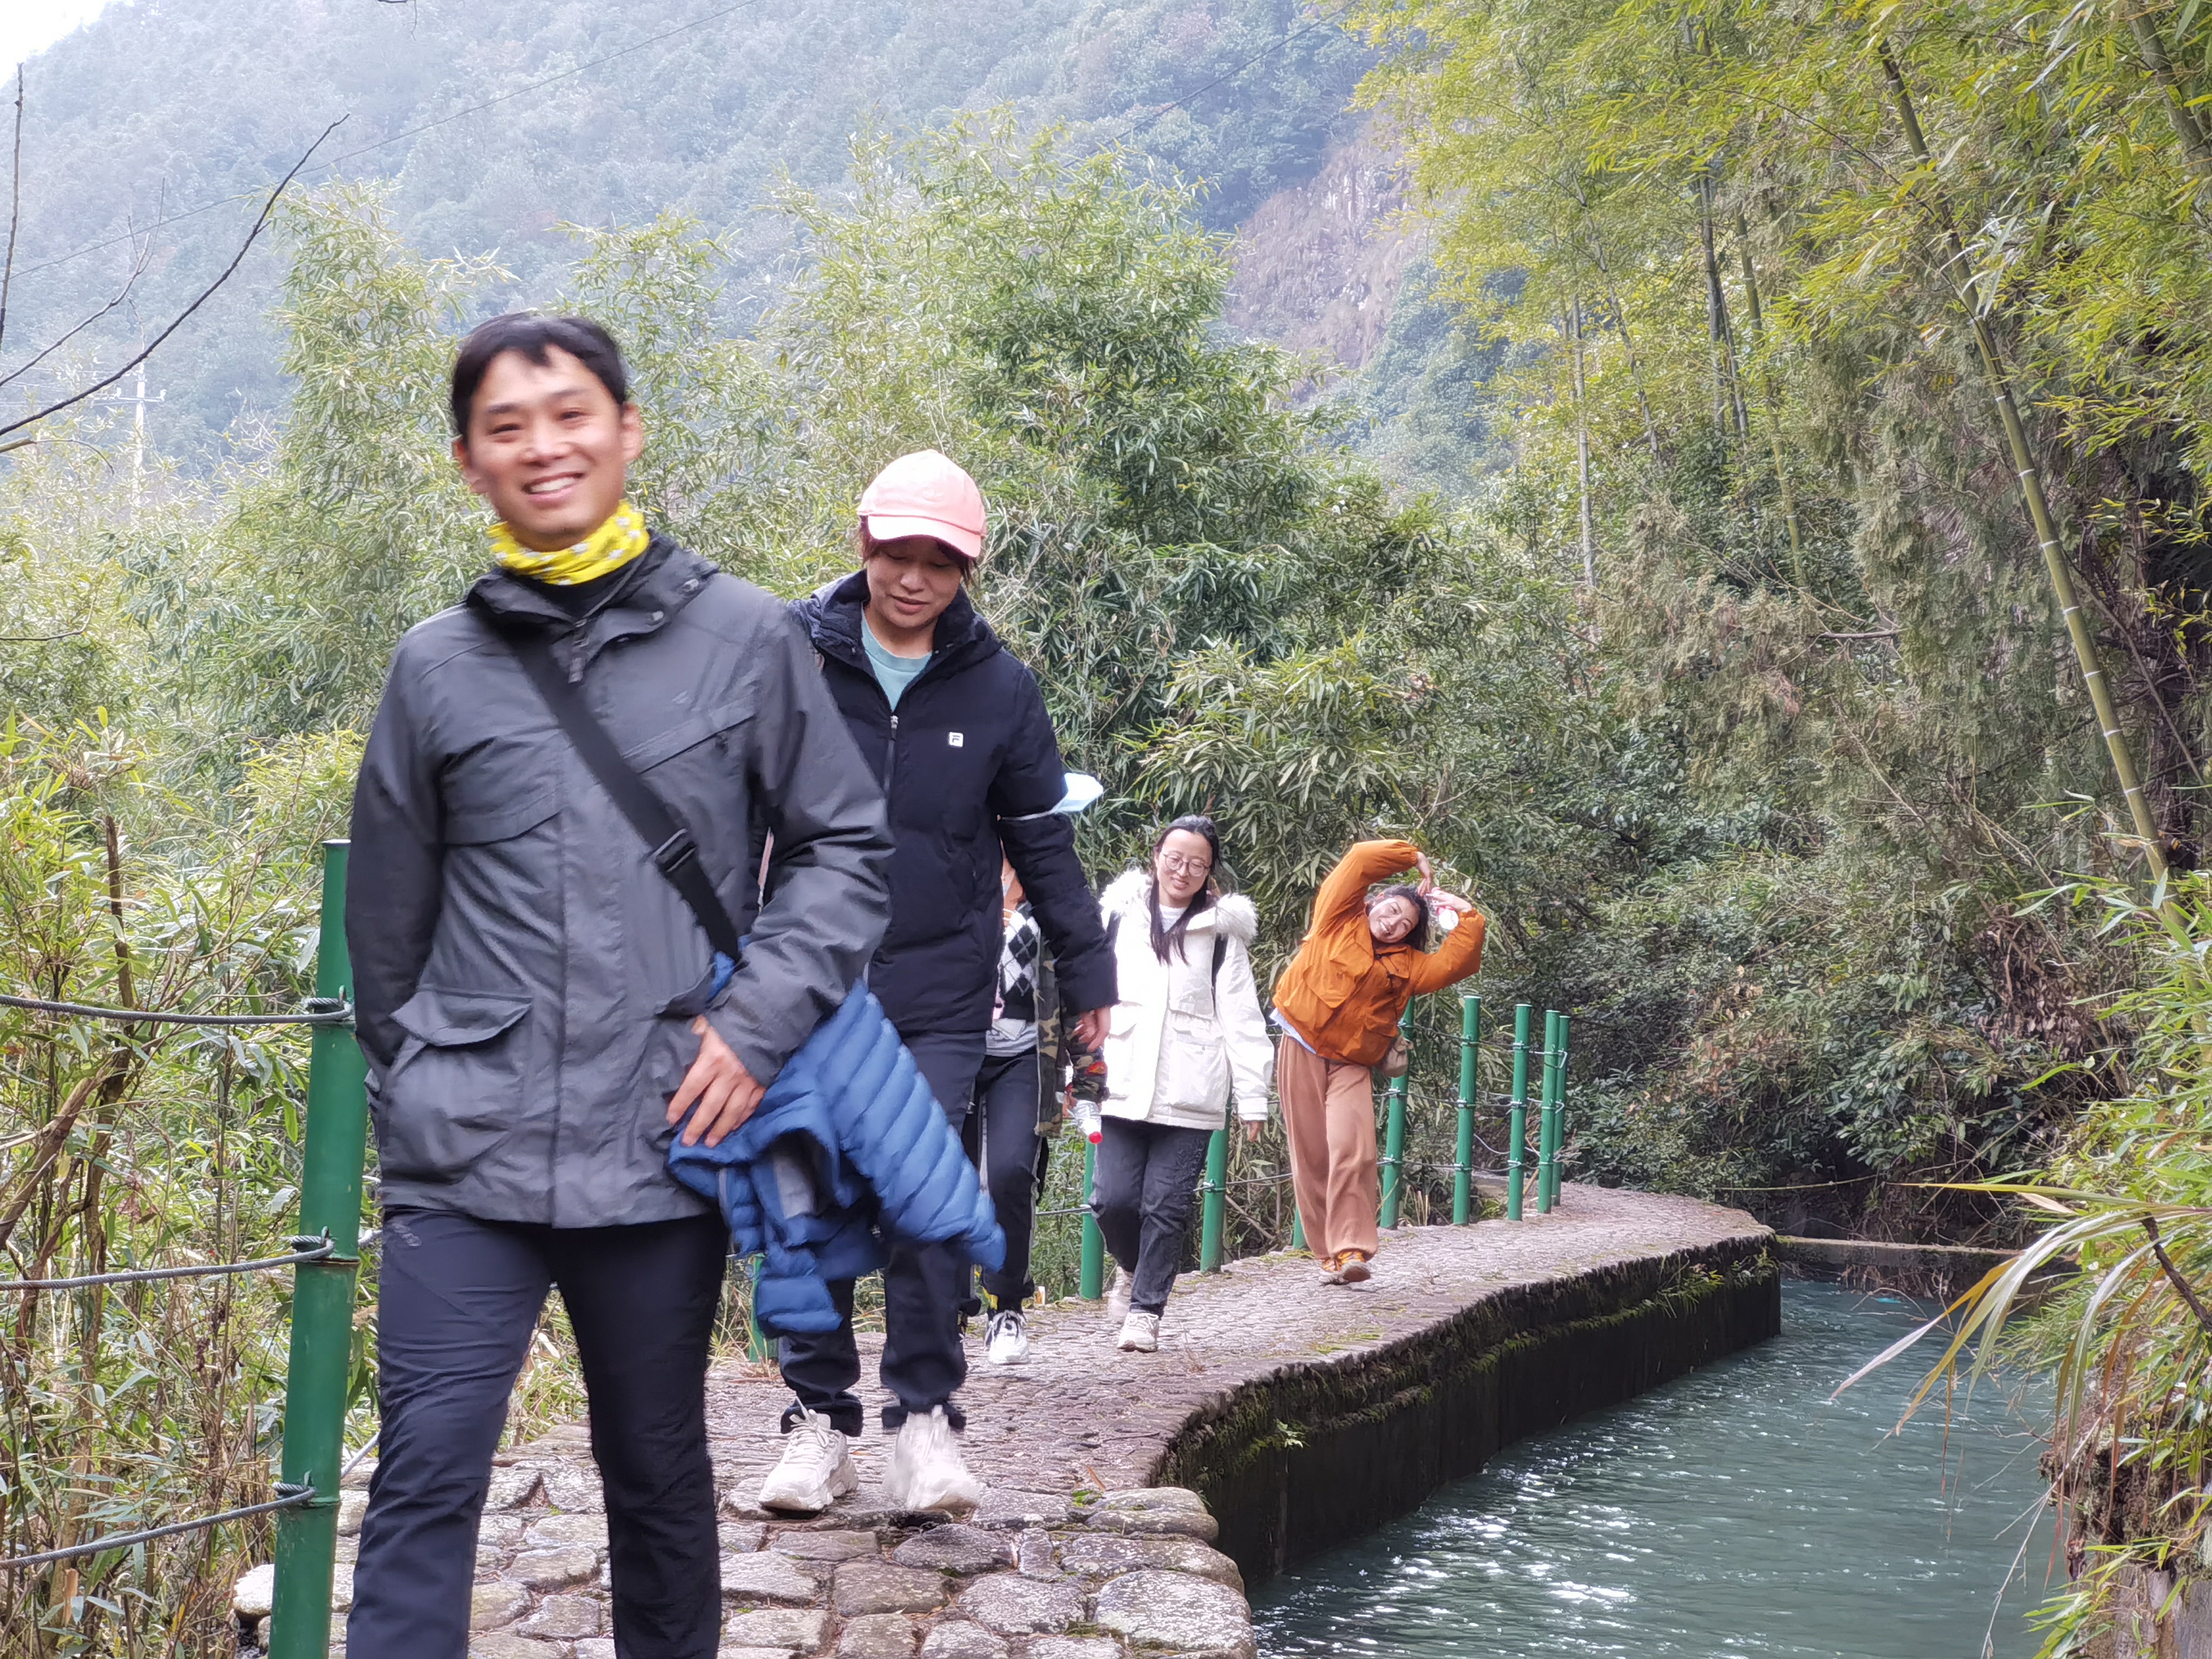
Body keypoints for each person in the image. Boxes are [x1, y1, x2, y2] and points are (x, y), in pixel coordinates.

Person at [344, 314, 892, 1659]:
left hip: (664, 1135)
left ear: (627, 431)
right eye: (507, 425)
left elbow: (842, 851)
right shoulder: (435, 666)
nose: (544, 446)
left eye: (571, 413)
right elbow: (386, 929)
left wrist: (754, 1028)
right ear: (468, 459)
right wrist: (421, 1088)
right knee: (424, 1472)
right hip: (464, 1156)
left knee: (652, 1468)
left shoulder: (747, 636)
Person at [766, 449, 1116, 1513]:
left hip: (937, 989)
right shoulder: (787, 654)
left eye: (940, 562)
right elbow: (725, 810)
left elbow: (1043, 842)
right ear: (862, 542)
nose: (913, 578)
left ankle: (922, 1426)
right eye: (897, 554)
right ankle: (817, 1425)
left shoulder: (1000, 688)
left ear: (967, 569)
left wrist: (1087, 979)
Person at [1091, 815, 1273, 1352]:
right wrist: (1072, 1072)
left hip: (1191, 1090)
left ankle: (1145, 1312)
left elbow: (1242, 1017)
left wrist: (1253, 1098)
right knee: (1111, 1202)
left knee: (1166, 1205)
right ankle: (1132, 1268)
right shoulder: (1117, 917)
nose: (1183, 871)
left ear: (1209, 871)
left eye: (1197, 863)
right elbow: (1088, 996)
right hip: (1120, 1082)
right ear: (1156, 857)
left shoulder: (1220, 934)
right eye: (1175, 858)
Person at [1271, 839, 1483, 1286]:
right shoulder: (1336, 919)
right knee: (1311, 1155)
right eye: (1391, 912)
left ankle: (1351, 1249)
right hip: (1300, 1045)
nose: (1393, 925)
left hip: (1352, 1062)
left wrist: (1466, 914)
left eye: (1405, 925)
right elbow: (1357, 864)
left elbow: (1457, 963)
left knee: (1354, 1149)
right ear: (1377, 901)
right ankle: (1328, 1256)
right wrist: (1412, 856)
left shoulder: (1410, 966)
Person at [969, 772, 1106, 1366]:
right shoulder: (959, 874)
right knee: (943, 1177)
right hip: (953, 1048)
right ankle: (943, 1303)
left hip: (1026, 1055)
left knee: (1009, 1175)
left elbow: (1080, 986)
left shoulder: (1055, 895)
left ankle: (1006, 1307)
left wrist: (1089, 1080)